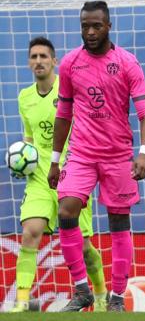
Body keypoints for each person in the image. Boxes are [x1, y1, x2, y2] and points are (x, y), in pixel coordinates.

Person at [47, 1, 145, 312]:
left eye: (96, 25)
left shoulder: (127, 63)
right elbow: (64, 113)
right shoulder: (69, 64)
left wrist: (143, 154)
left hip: (118, 154)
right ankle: (81, 290)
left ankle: (117, 298)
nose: (90, 32)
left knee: (118, 221)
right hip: (81, 153)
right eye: (85, 26)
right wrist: (55, 160)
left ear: (109, 26)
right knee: (66, 210)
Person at [11, 36, 107, 312]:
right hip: (40, 177)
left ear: (55, 61)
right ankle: (20, 302)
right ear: (29, 63)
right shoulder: (24, 97)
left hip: (73, 173)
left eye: (44, 56)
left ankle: (100, 295)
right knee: (31, 232)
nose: (38, 61)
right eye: (34, 57)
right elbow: (29, 138)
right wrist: (23, 159)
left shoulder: (70, 92)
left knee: (84, 246)